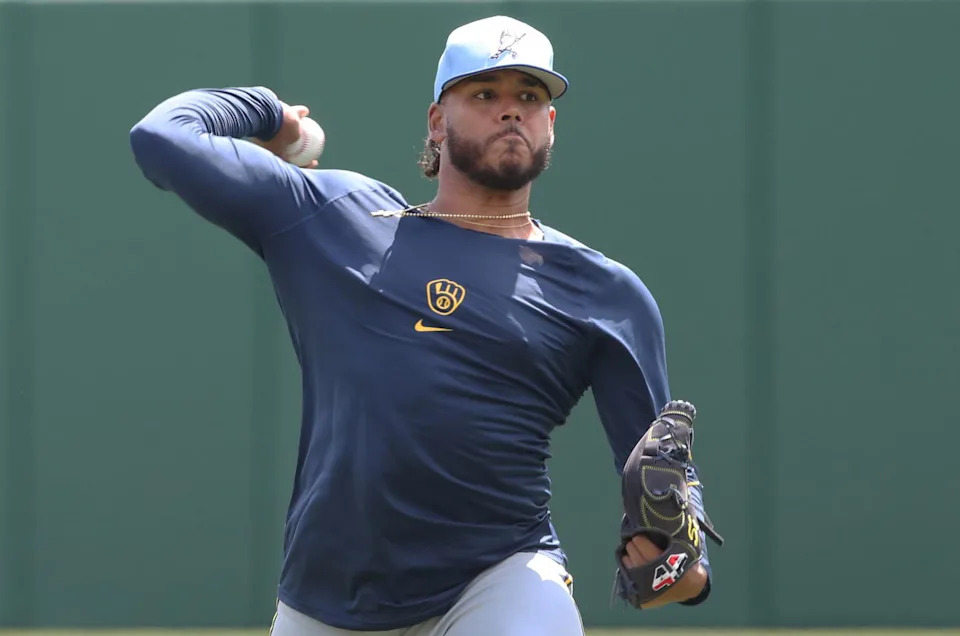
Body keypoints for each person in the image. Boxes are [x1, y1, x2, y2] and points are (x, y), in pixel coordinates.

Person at [129, 14, 714, 636]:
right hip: (325, 594)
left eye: (530, 97)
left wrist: (685, 563)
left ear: (550, 124)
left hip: (499, 576)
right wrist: (270, 114)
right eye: (485, 94)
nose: (510, 111)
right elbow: (162, 137)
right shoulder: (336, 218)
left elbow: (661, 465)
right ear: (437, 121)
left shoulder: (604, 291)